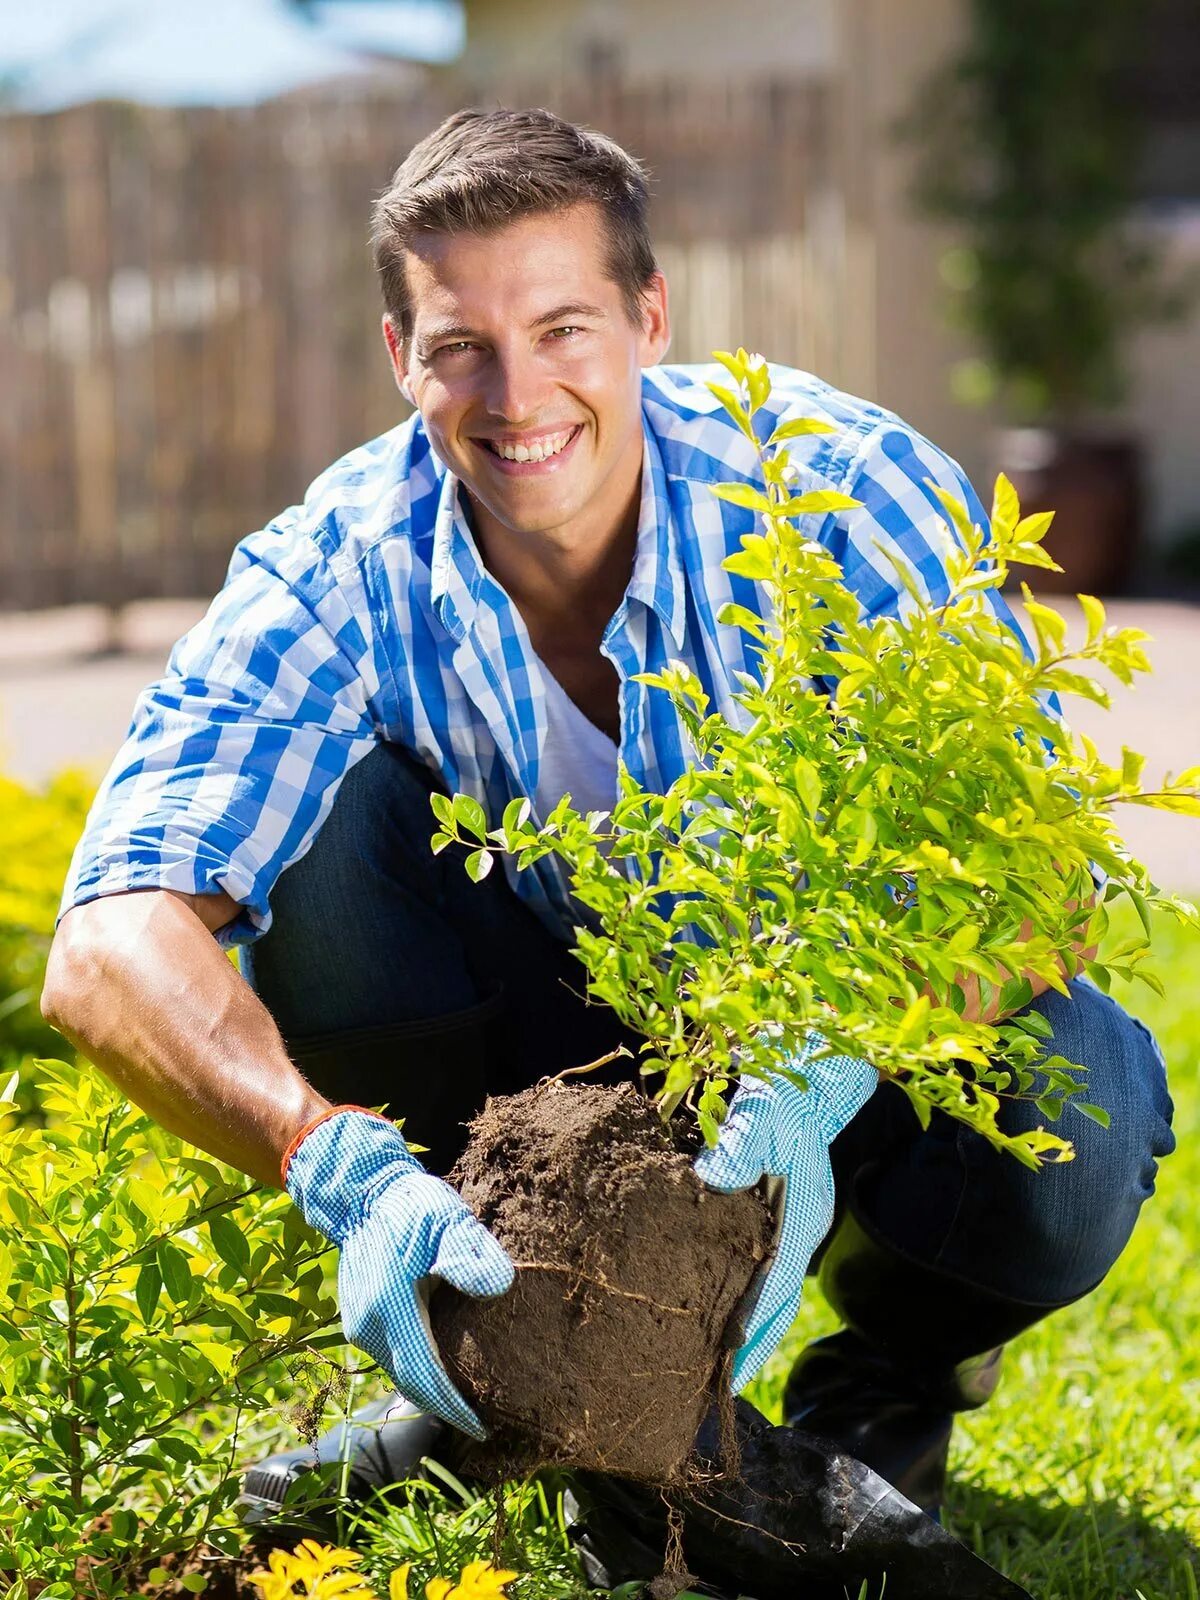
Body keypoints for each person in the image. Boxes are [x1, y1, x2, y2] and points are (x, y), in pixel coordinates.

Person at [42, 107, 1174, 1557]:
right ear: (403, 361)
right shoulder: (336, 567)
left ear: (648, 317)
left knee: (1075, 1096)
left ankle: (887, 1377)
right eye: (461, 347)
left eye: (565, 328)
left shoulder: (830, 493)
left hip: (819, 1047)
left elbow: (1033, 873)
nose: (518, 398)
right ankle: (515, 1361)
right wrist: (327, 1155)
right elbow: (108, 937)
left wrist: (825, 1074)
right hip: (530, 1094)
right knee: (312, 838)